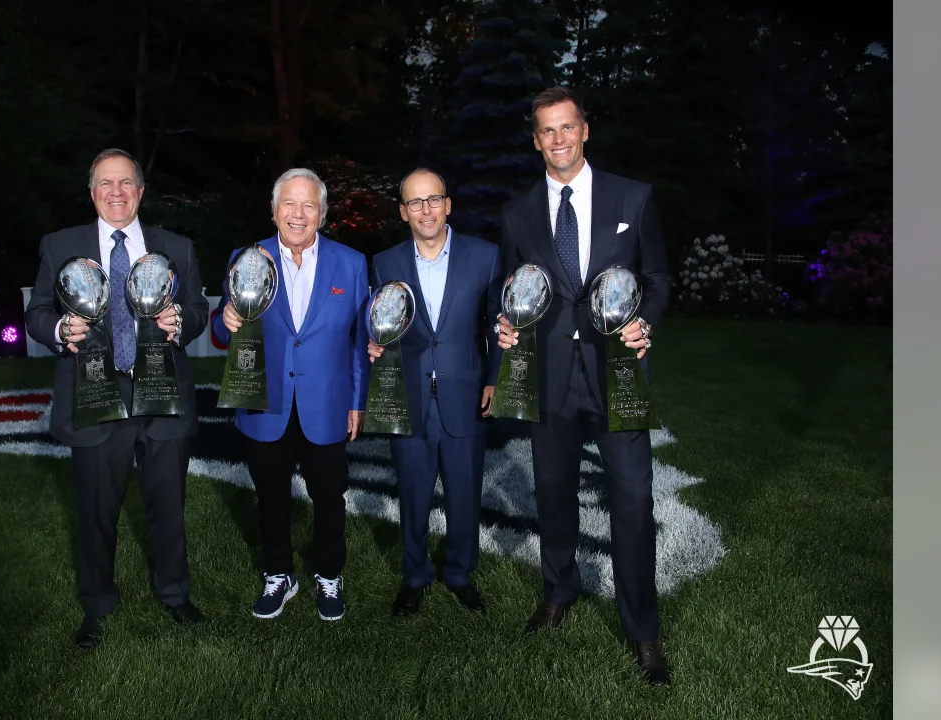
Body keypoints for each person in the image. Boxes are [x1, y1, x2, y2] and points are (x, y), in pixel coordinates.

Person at [496, 87, 673, 684]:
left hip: (616, 376)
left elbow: (657, 276)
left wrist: (645, 319)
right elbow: (512, 287)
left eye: (567, 128)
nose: (558, 140)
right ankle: (559, 590)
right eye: (547, 131)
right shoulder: (517, 212)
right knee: (552, 493)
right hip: (548, 379)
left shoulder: (633, 195)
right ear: (537, 138)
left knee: (633, 500)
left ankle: (642, 629)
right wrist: (503, 324)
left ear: (585, 130)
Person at [25, 148, 209, 649]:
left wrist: (181, 324)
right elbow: (36, 312)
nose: (116, 192)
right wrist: (61, 327)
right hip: (95, 393)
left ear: (141, 190)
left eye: (126, 182)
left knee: (169, 503)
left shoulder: (178, 247)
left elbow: (198, 310)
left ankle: (175, 595)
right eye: (106, 183)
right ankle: (97, 604)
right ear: (92, 193)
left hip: (162, 390)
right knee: (96, 509)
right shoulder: (61, 245)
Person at [212, 168, 370, 622]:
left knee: (329, 496)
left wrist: (357, 401)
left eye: (308, 205)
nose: (297, 214)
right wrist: (225, 321)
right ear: (274, 210)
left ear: (321, 213)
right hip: (266, 401)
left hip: (327, 404)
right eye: (289, 204)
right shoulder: (247, 259)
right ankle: (278, 573)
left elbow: (361, 340)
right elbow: (225, 337)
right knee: (270, 498)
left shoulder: (352, 262)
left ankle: (329, 576)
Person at [366, 168, 503, 617]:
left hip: (465, 394)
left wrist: (495, 378)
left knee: (465, 494)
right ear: (403, 212)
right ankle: (416, 574)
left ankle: (460, 574)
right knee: (413, 494)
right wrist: (372, 341)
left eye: (433, 200)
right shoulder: (385, 262)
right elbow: (380, 322)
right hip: (409, 398)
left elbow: (501, 325)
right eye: (415, 202)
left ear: (448, 205)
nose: (425, 209)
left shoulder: (484, 257)